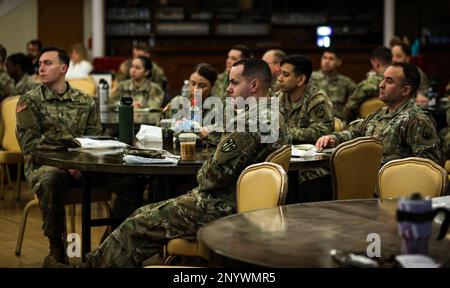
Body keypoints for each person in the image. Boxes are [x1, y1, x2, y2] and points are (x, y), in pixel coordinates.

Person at [48, 58, 289, 267]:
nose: (228, 89)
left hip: (223, 206)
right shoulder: (272, 113)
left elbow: (211, 177)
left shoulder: (250, 121)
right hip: (243, 203)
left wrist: (205, 168)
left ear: (255, 85)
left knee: (138, 221)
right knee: (143, 212)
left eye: (234, 82)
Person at [16, 46, 102, 266]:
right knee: (51, 179)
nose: (41, 68)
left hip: (83, 167)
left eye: (47, 63)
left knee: (130, 179)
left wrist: (82, 165)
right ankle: (57, 251)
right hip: (45, 167)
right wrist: (67, 166)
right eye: (40, 64)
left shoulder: (85, 100)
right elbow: (32, 146)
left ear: (63, 68)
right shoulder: (30, 100)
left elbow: (95, 140)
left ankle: (110, 246)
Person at [316, 62, 441, 166]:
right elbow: (354, 133)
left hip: (393, 188)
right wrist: (333, 139)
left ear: (405, 90)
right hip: (366, 181)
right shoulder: (379, 114)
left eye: (389, 81)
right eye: (383, 79)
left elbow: (428, 165)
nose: (381, 85)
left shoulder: (416, 120)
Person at [277, 54, 334, 201]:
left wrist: (286, 133)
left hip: (311, 168)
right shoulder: (279, 98)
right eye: (280, 73)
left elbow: (322, 131)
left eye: (285, 74)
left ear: (301, 79)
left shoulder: (317, 100)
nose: (279, 79)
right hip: (285, 163)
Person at [162, 63, 221, 143]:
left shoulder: (218, 106)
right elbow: (161, 127)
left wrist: (207, 132)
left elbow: (223, 133)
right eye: (192, 83)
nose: (195, 89)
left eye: (202, 86)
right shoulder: (178, 102)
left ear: (212, 87)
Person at [342, 46, 392, 123]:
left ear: (376, 63)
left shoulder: (368, 84)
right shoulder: (400, 82)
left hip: (370, 127)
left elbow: (350, 108)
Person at [310, 48, 356, 120]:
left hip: (337, 120)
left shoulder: (345, 81)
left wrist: (345, 112)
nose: (327, 61)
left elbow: (356, 97)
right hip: (314, 119)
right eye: (324, 58)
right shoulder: (310, 78)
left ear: (338, 62)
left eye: (331, 59)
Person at [390, 40, 430, 105]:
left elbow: (425, 91)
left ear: (407, 58)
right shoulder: (389, 72)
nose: (394, 59)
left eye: (398, 56)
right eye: (392, 56)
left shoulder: (416, 72)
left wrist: (420, 95)